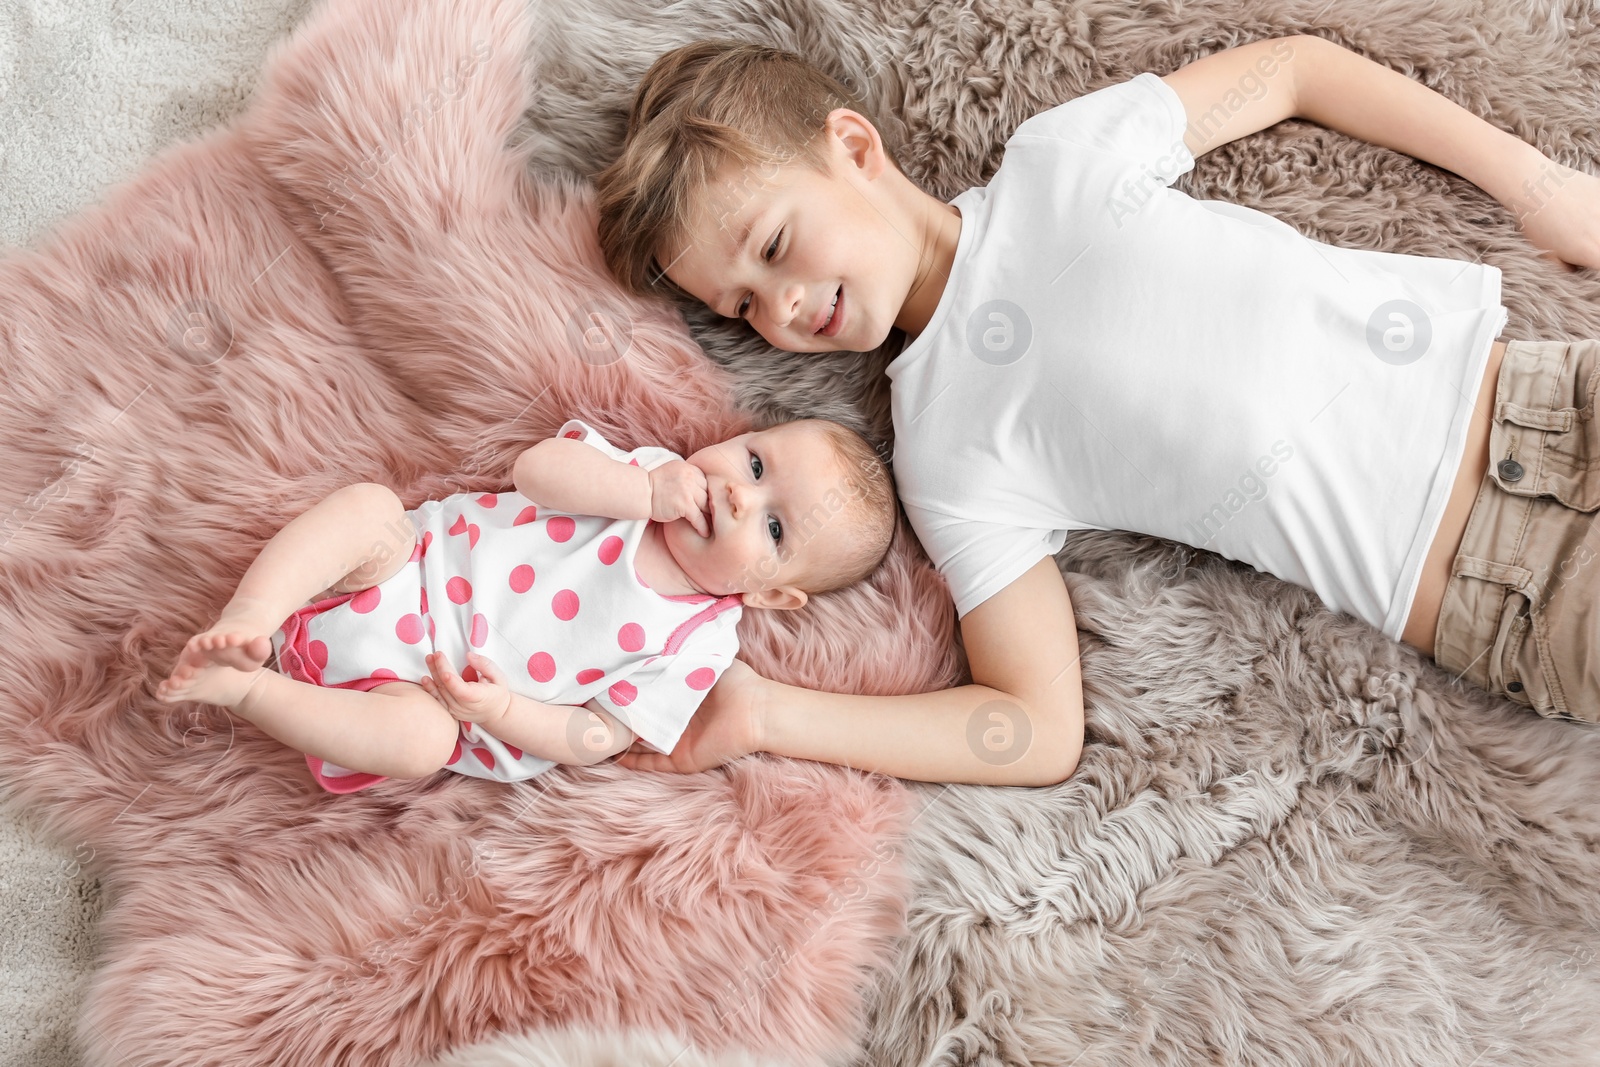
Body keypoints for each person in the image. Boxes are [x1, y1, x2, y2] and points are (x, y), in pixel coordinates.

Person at [590, 34, 1600, 787]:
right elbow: (1031, 725)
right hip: (1506, 586)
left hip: (1545, 399)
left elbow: (1295, 70)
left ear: (852, 147)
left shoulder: (1060, 161)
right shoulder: (946, 451)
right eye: (742, 306)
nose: (783, 308)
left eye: (772, 247)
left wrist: (1531, 180)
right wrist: (767, 713)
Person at [155, 416, 896, 793]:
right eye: (756, 461)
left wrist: (501, 713)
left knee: (422, 747)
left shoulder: (699, 647)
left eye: (772, 524)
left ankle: (252, 689)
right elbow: (535, 471)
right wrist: (640, 492)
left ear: (768, 592)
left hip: (426, 692)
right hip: (396, 566)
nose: (740, 491)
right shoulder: (648, 475)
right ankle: (250, 619)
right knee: (368, 508)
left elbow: (597, 735)